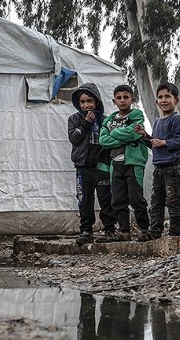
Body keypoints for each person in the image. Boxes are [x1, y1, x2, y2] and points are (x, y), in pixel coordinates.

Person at [134, 82, 180, 242]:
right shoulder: (158, 121)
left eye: (167, 96)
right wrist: (146, 136)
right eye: (160, 97)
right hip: (159, 169)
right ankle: (155, 231)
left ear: (176, 100)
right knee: (156, 202)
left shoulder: (176, 120)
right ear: (156, 101)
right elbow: (154, 144)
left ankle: (176, 233)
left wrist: (164, 142)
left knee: (172, 200)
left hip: (172, 167)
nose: (164, 100)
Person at [68, 83, 116, 245]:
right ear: (78, 104)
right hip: (83, 167)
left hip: (102, 166)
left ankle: (109, 229)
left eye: (89, 101)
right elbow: (74, 138)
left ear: (97, 102)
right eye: (82, 102)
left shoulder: (105, 120)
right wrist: (86, 123)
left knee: (105, 198)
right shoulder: (74, 119)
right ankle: (86, 230)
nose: (86, 105)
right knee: (84, 199)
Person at [100, 84, 150, 241]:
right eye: (119, 98)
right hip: (115, 165)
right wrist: (123, 137)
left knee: (136, 198)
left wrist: (114, 133)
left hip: (133, 163)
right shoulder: (109, 119)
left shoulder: (136, 115)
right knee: (117, 199)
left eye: (126, 97)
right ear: (114, 101)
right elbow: (103, 140)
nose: (122, 100)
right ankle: (124, 232)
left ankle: (145, 230)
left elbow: (134, 132)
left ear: (132, 99)